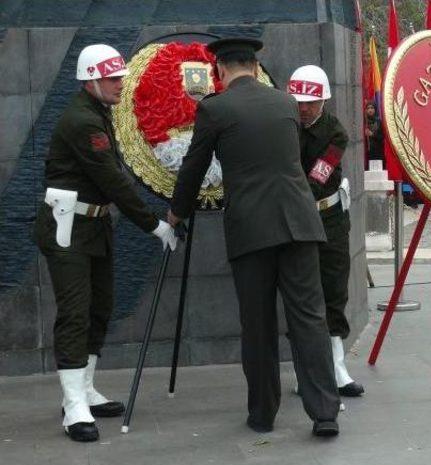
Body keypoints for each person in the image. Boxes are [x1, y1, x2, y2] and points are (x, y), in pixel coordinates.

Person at [168, 38, 340, 437]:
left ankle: (263, 414)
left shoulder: (214, 108)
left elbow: (193, 168)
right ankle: (325, 412)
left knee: (258, 323)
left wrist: (176, 213)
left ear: (221, 71)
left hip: (252, 230)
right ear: (254, 65)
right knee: (309, 319)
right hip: (299, 223)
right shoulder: (285, 103)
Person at [33, 44, 177, 443]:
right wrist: (153, 225)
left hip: (93, 227)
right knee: (76, 313)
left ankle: (86, 389)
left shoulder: (99, 113)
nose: (120, 84)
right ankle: (73, 405)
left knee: (100, 308)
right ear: (91, 79)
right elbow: (111, 179)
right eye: (112, 78)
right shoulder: (84, 121)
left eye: (120, 77)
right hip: (69, 227)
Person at [287, 65, 365, 401]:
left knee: (334, 289)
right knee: (302, 295)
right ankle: (305, 369)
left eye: (310, 102)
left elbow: (319, 176)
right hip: (293, 218)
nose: (304, 109)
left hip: (328, 217)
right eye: (299, 102)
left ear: (323, 101)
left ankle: (336, 366)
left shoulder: (336, 132)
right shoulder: (286, 125)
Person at [364, 101, 384, 166]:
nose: (370, 110)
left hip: (377, 152)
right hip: (365, 153)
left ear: (375, 109)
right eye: (368, 108)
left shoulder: (378, 122)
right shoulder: (363, 122)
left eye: (372, 108)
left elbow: (382, 137)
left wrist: (372, 134)